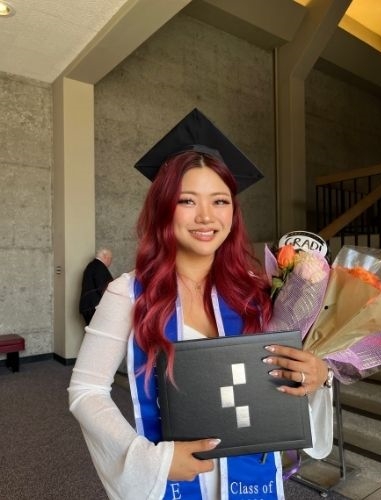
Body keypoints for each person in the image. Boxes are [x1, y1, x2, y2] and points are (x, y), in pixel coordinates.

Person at [68, 109, 334, 500]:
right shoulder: (127, 293)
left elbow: (275, 381)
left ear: (233, 211)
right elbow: (86, 390)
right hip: (174, 477)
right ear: (163, 208)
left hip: (250, 480)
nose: (206, 216)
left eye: (220, 201)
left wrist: (316, 376)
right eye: (187, 200)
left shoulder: (257, 293)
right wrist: (151, 460)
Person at [79, 247, 114, 324]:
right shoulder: (99, 267)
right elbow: (104, 288)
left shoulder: (93, 265)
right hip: (94, 306)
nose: (110, 262)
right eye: (110, 259)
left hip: (89, 306)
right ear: (105, 257)